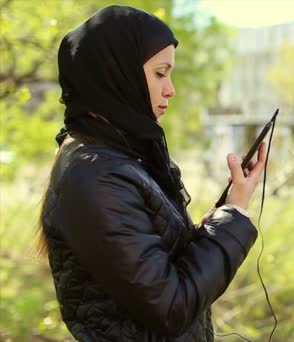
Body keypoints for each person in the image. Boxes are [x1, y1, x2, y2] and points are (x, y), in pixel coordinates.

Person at [35, 5, 266, 341]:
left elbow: (160, 271)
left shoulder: (119, 158)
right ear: (117, 74)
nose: (170, 89)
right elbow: (170, 306)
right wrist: (235, 218)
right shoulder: (96, 176)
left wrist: (223, 213)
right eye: (160, 73)